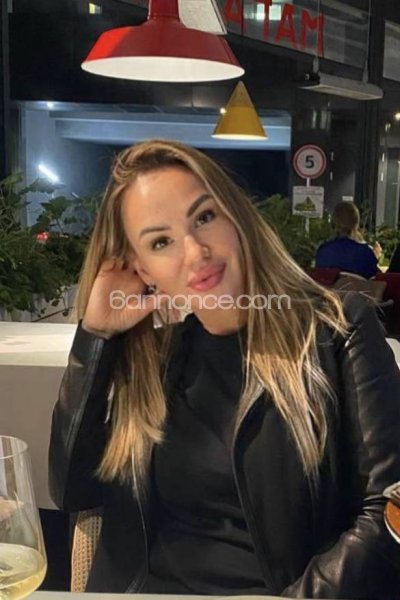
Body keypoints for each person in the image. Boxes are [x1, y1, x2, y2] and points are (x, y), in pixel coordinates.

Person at [48, 140, 400, 599]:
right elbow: (72, 492)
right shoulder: (154, 356)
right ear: (142, 270)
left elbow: (390, 512)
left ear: (235, 216)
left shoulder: (337, 331)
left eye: (204, 217)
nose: (195, 252)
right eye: (161, 242)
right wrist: (96, 337)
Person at [316, 201, 381, 279]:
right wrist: (375, 257)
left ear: (333, 223)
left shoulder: (323, 251)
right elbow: (375, 280)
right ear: (357, 223)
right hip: (358, 287)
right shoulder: (366, 253)